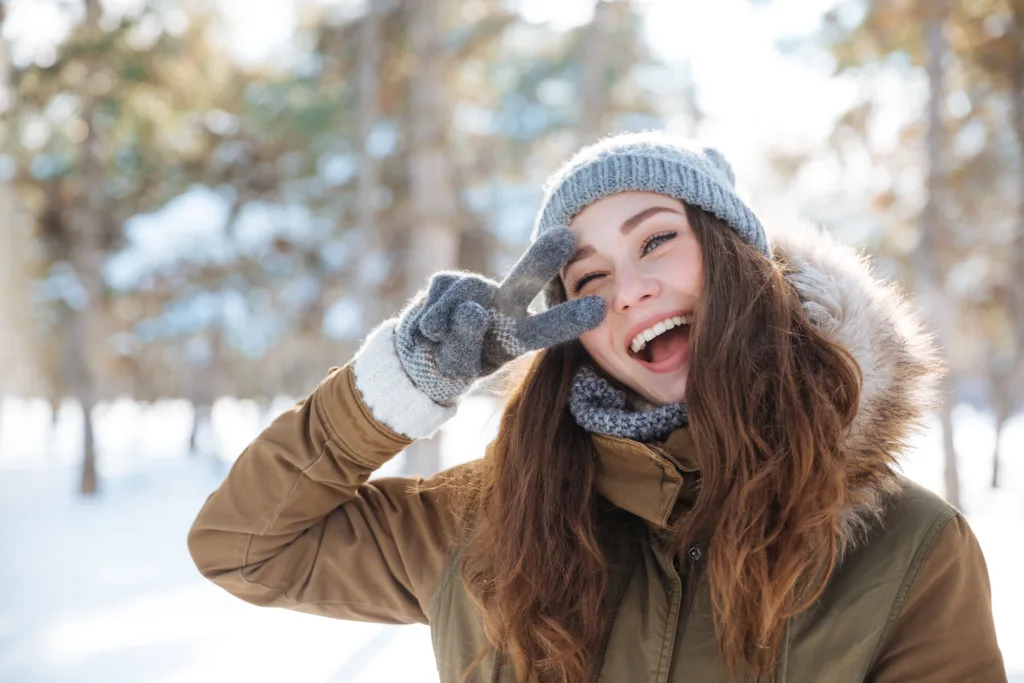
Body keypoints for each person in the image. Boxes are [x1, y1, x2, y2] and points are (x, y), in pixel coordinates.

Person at [188, 132, 1007, 682]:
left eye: (656, 241)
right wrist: (406, 381)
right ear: (575, 331)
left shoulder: (908, 550)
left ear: (737, 260)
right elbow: (243, 546)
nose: (632, 290)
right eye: (588, 281)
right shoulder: (487, 522)